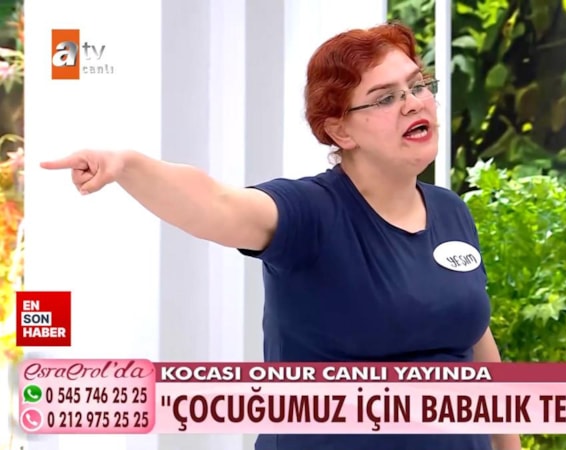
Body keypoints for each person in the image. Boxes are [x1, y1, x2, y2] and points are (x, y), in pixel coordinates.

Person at [41, 21, 521, 450]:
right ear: (340, 131)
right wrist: (128, 166)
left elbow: (474, 338)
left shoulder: (450, 212)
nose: (413, 102)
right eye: (385, 97)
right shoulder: (312, 213)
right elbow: (216, 203)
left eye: (417, 86)